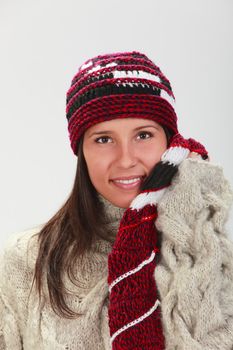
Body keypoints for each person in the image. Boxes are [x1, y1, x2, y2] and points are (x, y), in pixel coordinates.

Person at [0, 51, 233, 350]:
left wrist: (194, 219)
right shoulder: (26, 260)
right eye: (103, 139)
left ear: (170, 142)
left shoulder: (206, 251)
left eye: (144, 135)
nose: (125, 159)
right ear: (81, 151)